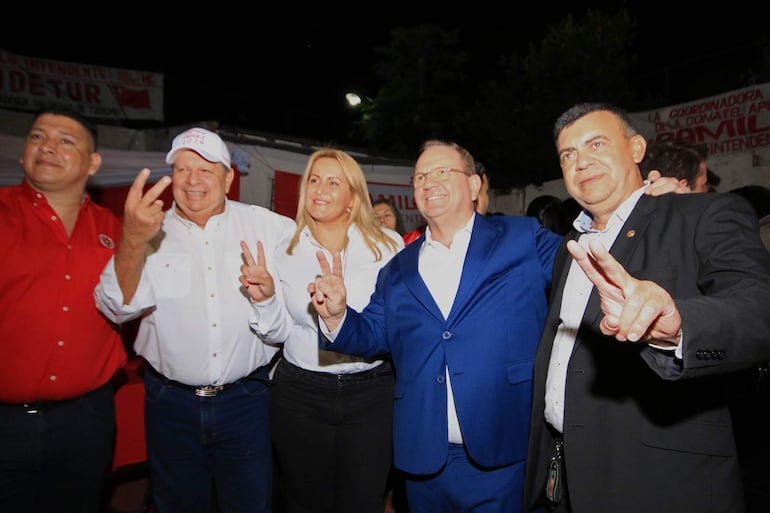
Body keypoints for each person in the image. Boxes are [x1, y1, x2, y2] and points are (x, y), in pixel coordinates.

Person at [522, 102, 770, 513]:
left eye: (596, 143)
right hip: (566, 475)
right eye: (568, 154)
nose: (581, 162)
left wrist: (680, 329)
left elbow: (760, 311)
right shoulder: (570, 246)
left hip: (660, 483)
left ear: (637, 148)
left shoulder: (703, 214)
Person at [306, 140, 564, 512]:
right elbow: (375, 334)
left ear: (474, 185)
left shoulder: (521, 239)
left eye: (443, 172)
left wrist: (641, 211)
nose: (429, 182)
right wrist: (335, 316)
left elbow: (585, 262)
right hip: (423, 456)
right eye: (421, 177)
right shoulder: (398, 268)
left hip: (503, 447)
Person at [94, 127, 296, 513]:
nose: (193, 180)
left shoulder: (270, 228)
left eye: (206, 169)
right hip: (171, 405)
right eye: (184, 169)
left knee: (251, 503)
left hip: (246, 401)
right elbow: (115, 307)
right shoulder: (148, 229)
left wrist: (270, 299)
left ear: (228, 176)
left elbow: (291, 317)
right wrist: (134, 240)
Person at [240, 148, 404, 513]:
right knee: (304, 500)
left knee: (362, 500)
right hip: (301, 394)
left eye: (334, 182)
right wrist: (265, 299)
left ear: (353, 196)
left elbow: (397, 324)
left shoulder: (387, 247)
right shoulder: (285, 249)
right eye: (314, 180)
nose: (320, 189)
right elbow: (278, 333)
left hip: (371, 395)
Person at [0, 107, 127, 513]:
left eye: (65, 140)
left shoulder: (117, 229)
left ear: (93, 163)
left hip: (85, 421)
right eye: (37, 137)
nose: (48, 147)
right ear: (22, 155)